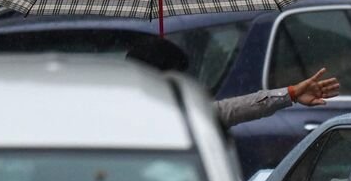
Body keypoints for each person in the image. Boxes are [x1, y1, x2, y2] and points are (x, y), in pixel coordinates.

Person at [124, 37, 339, 127]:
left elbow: (235, 108)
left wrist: (291, 93)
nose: (184, 87)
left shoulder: (187, 118)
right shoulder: (116, 127)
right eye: (176, 79)